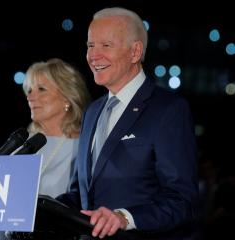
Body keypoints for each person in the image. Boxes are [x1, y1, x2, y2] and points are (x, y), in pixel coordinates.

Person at [56, 7, 199, 240]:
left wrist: (124, 218)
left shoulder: (169, 110)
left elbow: (182, 201)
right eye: (90, 46)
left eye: (106, 46)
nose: (94, 55)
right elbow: (79, 196)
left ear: (135, 52)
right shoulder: (92, 112)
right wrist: (36, 206)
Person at [0, 58, 91, 240]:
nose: (30, 96)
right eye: (29, 90)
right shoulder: (22, 145)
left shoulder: (84, 146)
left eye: (41, 89)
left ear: (67, 97)